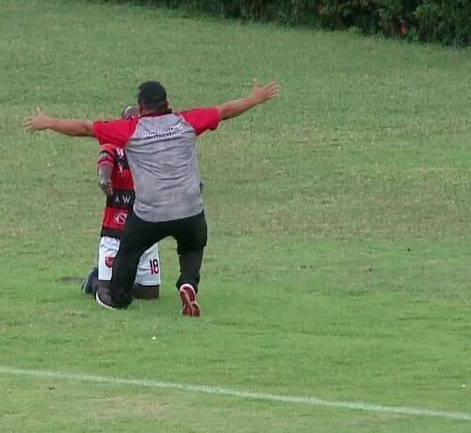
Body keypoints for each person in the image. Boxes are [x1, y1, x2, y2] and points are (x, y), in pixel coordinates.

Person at [25, 79, 280, 317]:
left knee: (129, 251)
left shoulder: (131, 129)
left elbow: (85, 128)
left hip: (151, 214)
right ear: (167, 102)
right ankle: (188, 283)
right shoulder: (185, 122)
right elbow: (224, 111)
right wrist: (255, 98)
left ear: (140, 107)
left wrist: (48, 122)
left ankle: (119, 297)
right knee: (192, 246)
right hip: (189, 210)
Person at [82, 106, 162, 301]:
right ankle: (95, 278)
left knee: (150, 293)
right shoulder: (113, 147)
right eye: (129, 121)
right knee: (107, 292)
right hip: (115, 232)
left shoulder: (152, 151)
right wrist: (104, 179)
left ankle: (124, 280)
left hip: (146, 231)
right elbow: (105, 163)